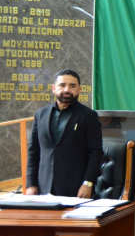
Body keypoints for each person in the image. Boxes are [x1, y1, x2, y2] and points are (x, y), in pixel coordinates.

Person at [26, 69, 103, 198]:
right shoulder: (41, 114)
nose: (67, 90)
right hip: (44, 188)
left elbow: (96, 152)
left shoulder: (89, 116)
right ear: (53, 88)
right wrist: (31, 184)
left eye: (72, 86)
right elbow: (33, 151)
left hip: (76, 189)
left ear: (79, 89)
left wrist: (88, 183)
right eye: (62, 85)